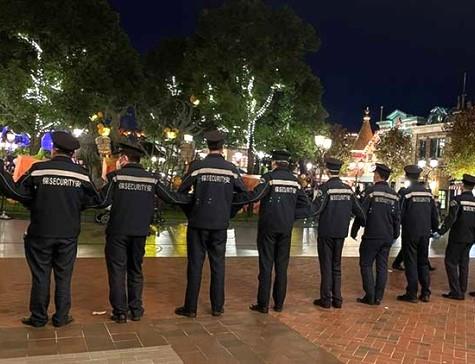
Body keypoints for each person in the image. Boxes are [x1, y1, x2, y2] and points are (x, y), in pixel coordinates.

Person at [0, 131, 101, 327]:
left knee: (41, 275)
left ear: (54, 149)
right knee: (64, 276)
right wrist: (75, 205)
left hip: (40, 232)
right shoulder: (81, 174)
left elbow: (19, 192)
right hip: (68, 234)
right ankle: (62, 317)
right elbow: (94, 200)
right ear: (72, 153)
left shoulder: (39, 169)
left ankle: (38, 317)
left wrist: (35, 203)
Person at [100, 141, 191, 323]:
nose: (117, 161)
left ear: (124, 158)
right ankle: (136, 309)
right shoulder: (152, 178)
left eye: (119, 158)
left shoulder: (116, 177)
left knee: (117, 271)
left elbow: (101, 201)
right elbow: (172, 197)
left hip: (117, 232)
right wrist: (195, 198)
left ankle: (120, 312)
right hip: (140, 232)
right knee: (135, 269)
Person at [175, 130, 249, 318]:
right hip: (219, 224)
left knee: (195, 266)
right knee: (218, 265)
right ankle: (217, 307)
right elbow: (243, 195)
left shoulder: (198, 167)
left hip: (198, 223)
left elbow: (181, 192)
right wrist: (229, 212)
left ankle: (190, 308)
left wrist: (191, 212)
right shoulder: (231, 169)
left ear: (208, 145)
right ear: (222, 146)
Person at [246, 150, 312, 314]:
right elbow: (307, 207)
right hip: (285, 228)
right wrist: (290, 216)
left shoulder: (269, 178)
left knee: (266, 265)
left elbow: (256, 195)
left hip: (268, 227)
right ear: (287, 163)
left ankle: (263, 304)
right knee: (282, 267)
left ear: (274, 163)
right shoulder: (295, 181)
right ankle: (279, 303)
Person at [313, 157, 366, 309]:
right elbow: (359, 210)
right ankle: (338, 299)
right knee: (336, 265)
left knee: (326, 266)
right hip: (341, 232)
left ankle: (326, 299)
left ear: (328, 171)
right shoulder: (347, 189)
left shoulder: (325, 188)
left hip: (326, 232)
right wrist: (363, 223)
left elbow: (316, 208)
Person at [351, 163, 400, 305]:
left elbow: (362, 212)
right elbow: (397, 217)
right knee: (382, 266)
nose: (373, 176)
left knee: (366, 264)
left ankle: (370, 295)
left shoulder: (371, 191)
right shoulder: (394, 195)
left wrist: (354, 230)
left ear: (378, 175)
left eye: (374, 174)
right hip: (387, 236)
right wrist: (395, 234)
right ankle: (379, 296)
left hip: (372, 235)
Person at [397, 165, 439, 303]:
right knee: (423, 262)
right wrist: (434, 229)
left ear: (407, 176)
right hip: (425, 232)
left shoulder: (407, 193)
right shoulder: (428, 193)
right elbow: (434, 213)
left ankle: (412, 293)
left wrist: (397, 228)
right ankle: (426, 292)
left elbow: (400, 213)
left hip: (410, 232)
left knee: (410, 262)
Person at [437, 174, 475, 300]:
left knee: (451, 262)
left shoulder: (457, 200)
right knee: (464, 263)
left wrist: (441, 231)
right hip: (470, 238)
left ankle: (456, 291)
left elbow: (451, 218)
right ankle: (462, 289)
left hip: (458, 236)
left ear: (463, 185)